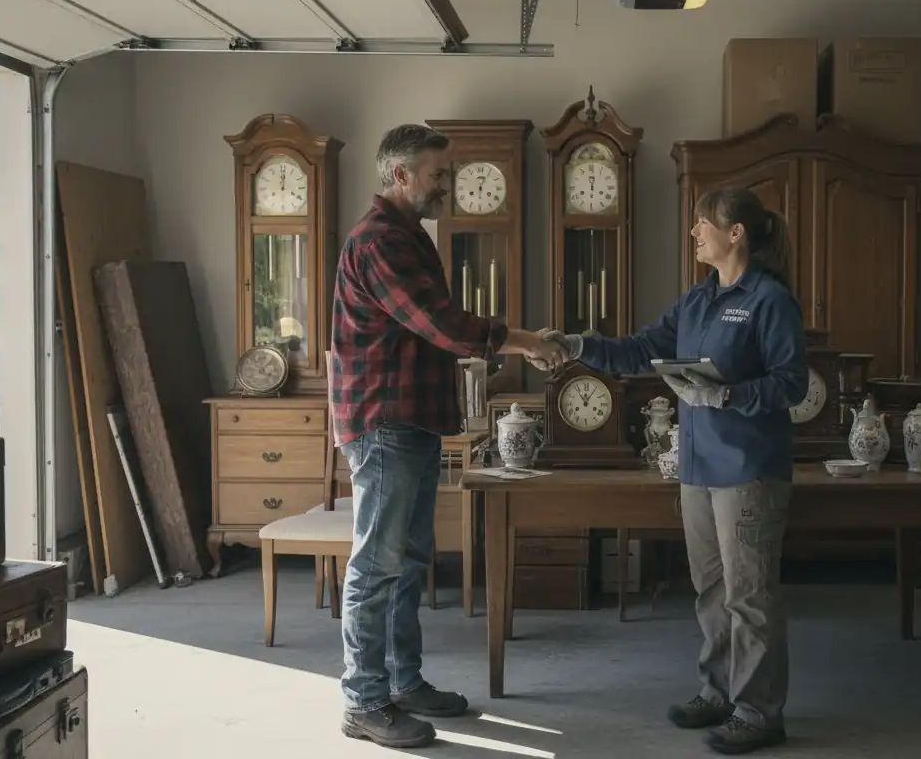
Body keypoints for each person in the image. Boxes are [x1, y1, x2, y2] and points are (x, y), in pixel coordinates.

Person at [531, 187, 808, 755]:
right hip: (697, 467)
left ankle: (759, 712)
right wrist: (576, 344)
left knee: (749, 594)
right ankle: (719, 692)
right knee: (710, 590)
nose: (693, 232)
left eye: (703, 222)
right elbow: (641, 350)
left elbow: (792, 383)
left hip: (749, 470)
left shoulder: (769, 300)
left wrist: (727, 396)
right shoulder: (698, 300)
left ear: (736, 234)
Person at [330, 123, 563, 749]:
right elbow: (441, 323)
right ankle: (363, 700)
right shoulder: (381, 240)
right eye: (438, 174)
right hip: (385, 423)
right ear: (400, 175)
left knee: (406, 564)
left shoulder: (408, 236)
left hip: (412, 421)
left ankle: (403, 684)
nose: (447, 184)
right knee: (377, 567)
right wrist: (525, 341)